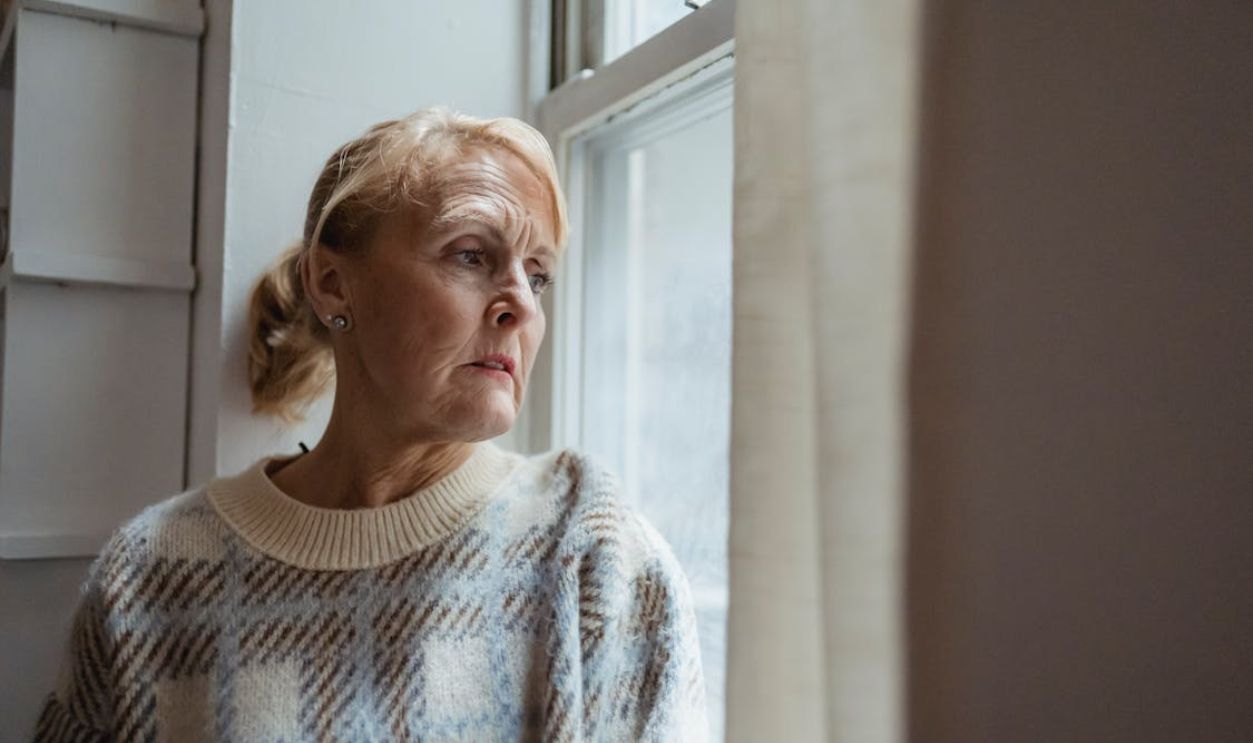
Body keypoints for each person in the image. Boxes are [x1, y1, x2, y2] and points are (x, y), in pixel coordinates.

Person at [33, 108, 708, 742]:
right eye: (471, 255)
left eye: (538, 276)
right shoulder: (151, 575)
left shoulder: (593, 555)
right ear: (331, 285)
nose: (520, 306)